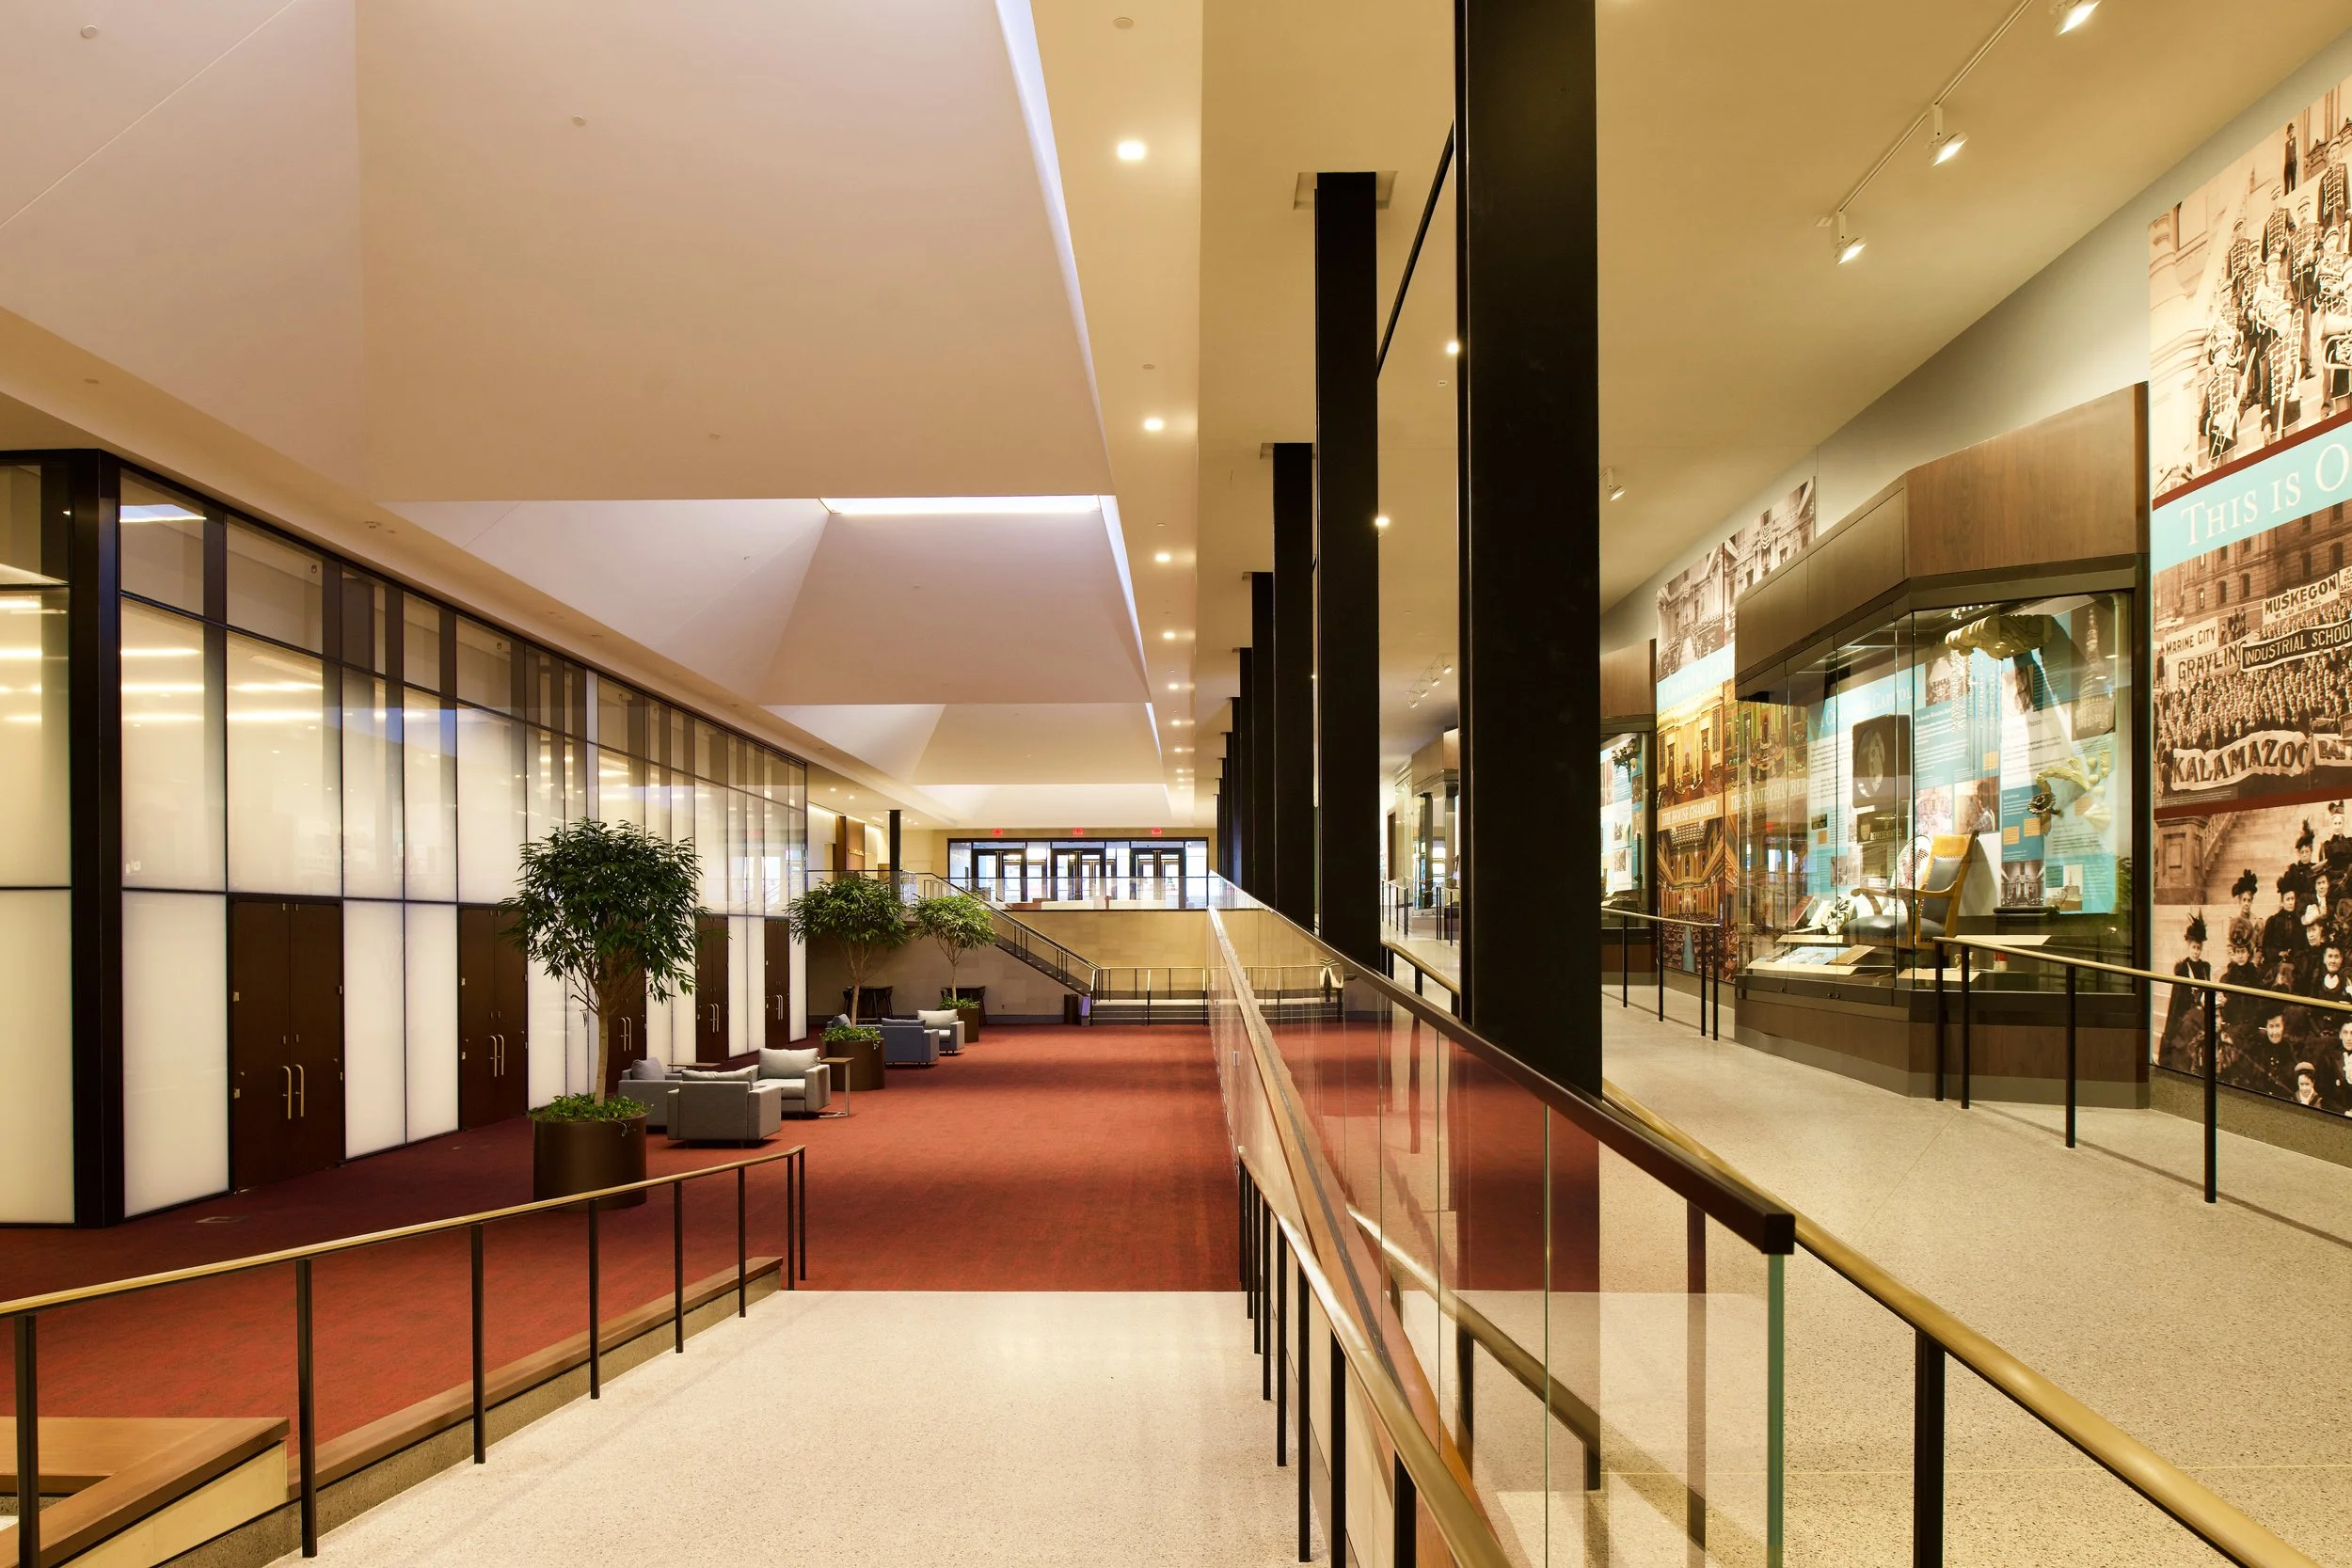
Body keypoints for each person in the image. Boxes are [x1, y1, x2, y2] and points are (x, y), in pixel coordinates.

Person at [2165, 914, 2213, 1066]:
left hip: (2203, 1012)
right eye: (2193, 947)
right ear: (2188, 946)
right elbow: (2177, 1000)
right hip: (2186, 1016)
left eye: (2199, 948)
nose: (2196, 952)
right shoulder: (2183, 969)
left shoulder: (2205, 967)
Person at [2263, 879, 2306, 968]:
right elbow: (2266, 947)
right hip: (2276, 963)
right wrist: (2279, 953)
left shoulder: (2299, 921)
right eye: (2288, 899)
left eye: (2292, 899)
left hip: (2295, 964)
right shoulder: (2273, 921)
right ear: (2282, 902)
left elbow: (2303, 947)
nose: (2291, 902)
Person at [2227, 868, 2262, 957]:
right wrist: (2235, 959)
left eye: (2249, 901)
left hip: (2252, 962)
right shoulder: (2234, 922)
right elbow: (2230, 947)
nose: (2246, 904)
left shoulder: (2258, 923)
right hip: (2238, 960)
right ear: (2239, 901)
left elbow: (2260, 948)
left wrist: (2254, 963)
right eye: (2244, 900)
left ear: (2252, 902)